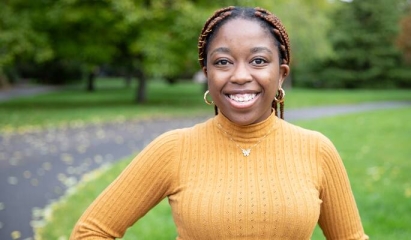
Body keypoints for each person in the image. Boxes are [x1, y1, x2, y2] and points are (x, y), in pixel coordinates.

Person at [71, 6, 368, 240]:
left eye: (259, 61)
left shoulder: (316, 150)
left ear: (281, 74)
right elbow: (91, 232)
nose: (239, 76)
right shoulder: (174, 149)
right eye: (223, 62)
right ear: (207, 74)